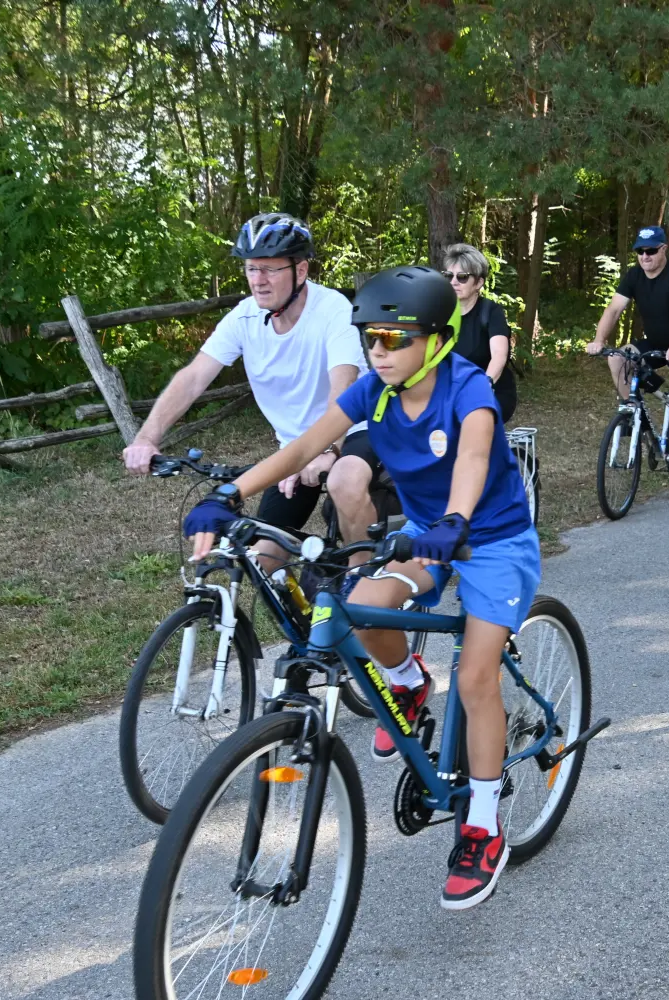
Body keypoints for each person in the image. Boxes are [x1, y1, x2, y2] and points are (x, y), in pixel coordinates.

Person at [182, 266, 538, 910]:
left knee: (476, 680)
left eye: (393, 338)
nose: (378, 349)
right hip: (430, 534)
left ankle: (482, 825)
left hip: (492, 541)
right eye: (370, 336)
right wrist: (230, 494)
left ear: (434, 338)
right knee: (362, 607)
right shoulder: (373, 391)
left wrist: (457, 521)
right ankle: (404, 683)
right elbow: (302, 448)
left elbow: (474, 461)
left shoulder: (468, 392)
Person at [121, 212, 376, 571]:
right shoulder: (244, 317)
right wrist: (147, 437)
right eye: (252, 269)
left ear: (300, 271)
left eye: (270, 269)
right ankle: (309, 621)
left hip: (350, 433)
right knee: (262, 560)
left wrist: (327, 450)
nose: (258, 280)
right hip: (294, 451)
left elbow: (343, 384)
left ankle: (365, 587)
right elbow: (194, 377)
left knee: (344, 481)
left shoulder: (332, 310)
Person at [586, 225, 669, 492]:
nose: (645, 257)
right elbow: (614, 308)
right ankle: (633, 412)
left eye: (651, 250)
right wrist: (599, 340)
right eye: (640, 252)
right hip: (655, 341)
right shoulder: (634, 275)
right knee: (618, 358)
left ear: (663, 249)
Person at [443, 243, 517, 423]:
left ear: (479, 282)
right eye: (448, 276)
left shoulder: (490, 311)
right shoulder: (440, 313)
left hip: (489, 391)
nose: (453, 282)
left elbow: (499, 355)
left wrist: (485, 383)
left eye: (462, 277)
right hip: (450, 392)